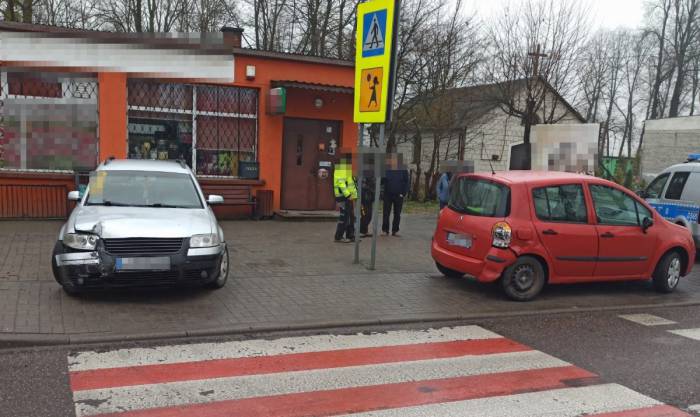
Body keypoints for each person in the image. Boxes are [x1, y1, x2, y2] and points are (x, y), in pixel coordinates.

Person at [382, 154, 409, 236]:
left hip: (398, 195)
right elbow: (382, 181)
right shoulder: (387, 169)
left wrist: (403, 193)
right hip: (387, 195)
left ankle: (395, 230)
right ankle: (385, 230)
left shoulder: (403, 170)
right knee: (386, 213)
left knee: (397, 213)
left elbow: (406, 182)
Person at [334, 154, 358, 243]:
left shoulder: (347, 169)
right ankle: (338, 237)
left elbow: (351, 184)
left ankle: (350, 235)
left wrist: (354, 196)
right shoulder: (341, 169)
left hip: (348, 197)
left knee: (351, 217)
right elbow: (341, 184)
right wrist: (348, 195)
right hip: (343, 197)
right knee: (344, 217)